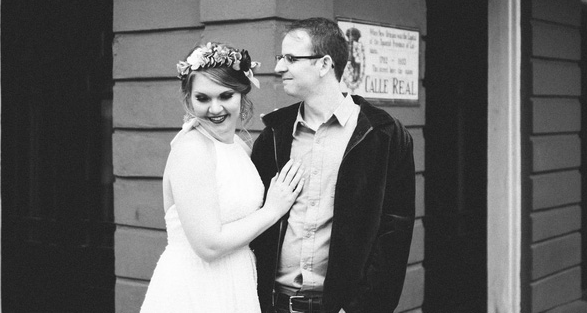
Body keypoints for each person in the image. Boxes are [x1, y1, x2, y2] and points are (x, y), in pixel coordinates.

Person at [250, 18, 415, 313]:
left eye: (290, 59)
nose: (279, 68)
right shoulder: (273, 136)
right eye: (280, 58)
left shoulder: (385, 135)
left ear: (324, 64)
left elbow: (394, 237)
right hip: (275, 305)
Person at [140, 42, 305, 313]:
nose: (215, 108)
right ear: (189, 100)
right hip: (197, 287)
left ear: (242, 94)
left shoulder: (239, 147)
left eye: (225, 96)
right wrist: (273, 209)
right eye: (203, 98)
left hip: (237, 281)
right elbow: (209, 245)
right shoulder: (192, 149)